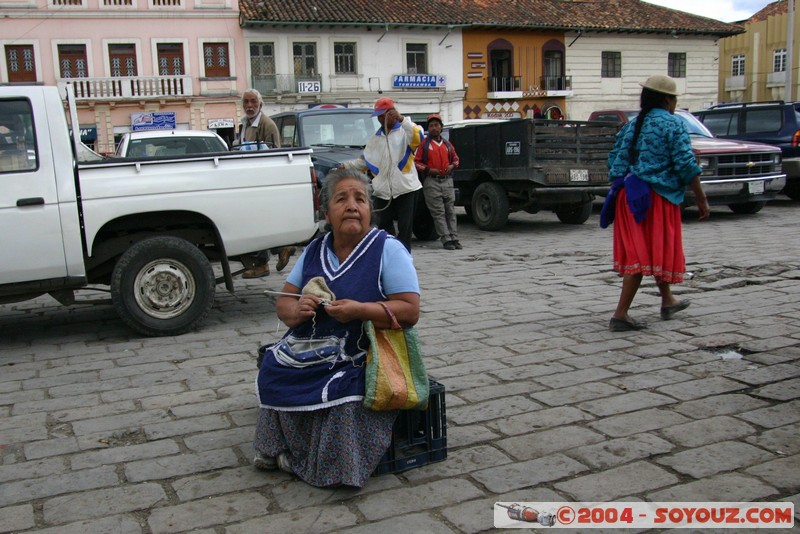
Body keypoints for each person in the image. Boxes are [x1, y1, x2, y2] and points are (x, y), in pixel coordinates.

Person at [253, 168, 420, 488]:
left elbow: (410, 310)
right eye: (342, 199)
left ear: (370, 210)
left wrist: (361, 311)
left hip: (363, 351)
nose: (353, 205)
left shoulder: (387, 249)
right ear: (327, 212)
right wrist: (298, 309)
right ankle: (279, 449)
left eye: (360, 199)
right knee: (273, 367)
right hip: (313, 346)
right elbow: (283, 304)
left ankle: (321, 464)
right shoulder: (315, 250)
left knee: (344, 388)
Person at [604, 74, 710, 332]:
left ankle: (667, 300)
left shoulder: (631, 125)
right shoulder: (673, 124)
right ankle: (621, 314)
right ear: (667, 99)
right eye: (674, 98)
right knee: (642, 254)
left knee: (650, 250)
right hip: (656, 199)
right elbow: (686, 164)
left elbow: (614, 162)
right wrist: (701, 197)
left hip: (628, 196)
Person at [341, 97, 424, 252]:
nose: (380, 119)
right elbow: (364, 161)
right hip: (383, 191)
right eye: (378, 116)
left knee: (405, 228)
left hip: (406, 189)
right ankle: (390, 254)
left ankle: (404, 257)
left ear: (391, 113)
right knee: (384, 227)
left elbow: (418, 136)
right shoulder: (375, 139)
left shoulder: (405, 132)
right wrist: (345, 166)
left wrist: (401, 119)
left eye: (383, 115)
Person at [233, 88, 295, 278]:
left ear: (261, 104)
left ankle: (264, 262)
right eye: (246, 102)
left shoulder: (267, 125)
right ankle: (278, 250)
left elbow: (275, 155)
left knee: (258, 223)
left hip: (262, 181)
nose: (249, 106)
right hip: (248, 180)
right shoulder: (244, 124)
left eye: (253, 102)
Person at [414, 113, 461, 250]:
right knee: (438, 212)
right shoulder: (424, 145)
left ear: (441, 127)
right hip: (432, 182)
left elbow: (456, 160)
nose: (434, 128)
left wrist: (452, 166)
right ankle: (446, 239)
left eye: (436, 125)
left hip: (447, 181)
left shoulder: (447, 144)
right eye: (431, 126)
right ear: (428, 128)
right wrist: (428, 170)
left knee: (450, 211)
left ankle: (455, 237)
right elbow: (416, 162)